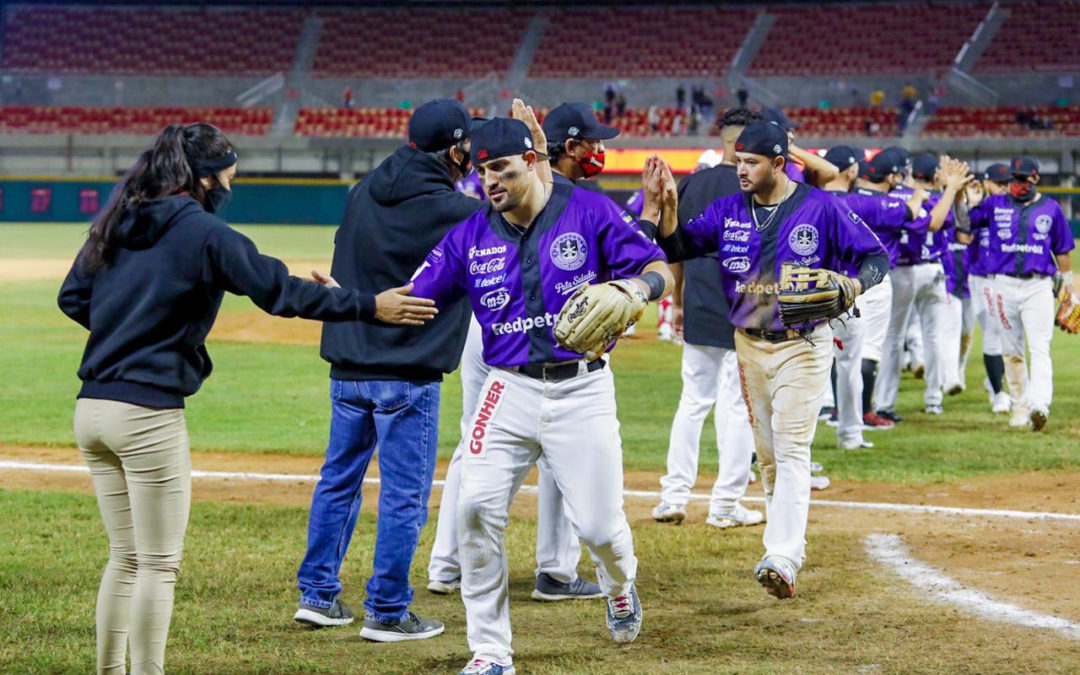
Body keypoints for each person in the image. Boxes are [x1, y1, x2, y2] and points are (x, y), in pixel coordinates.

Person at [57, 123, 430, 675]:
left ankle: (110, 671)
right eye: (229, 172)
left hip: (92, 411)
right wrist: (367, 305)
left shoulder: (119, 220)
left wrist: (129, 326)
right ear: (205, 177)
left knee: (126, 557)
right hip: (146, 415)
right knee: (158, 565)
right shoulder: (204, 232)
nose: (232, 181)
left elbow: (73, 297)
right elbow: (277, 289)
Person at [410, 116, 673, 675]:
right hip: (507, 390)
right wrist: (352, 300)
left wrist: (636, 286)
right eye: (482, 171)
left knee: (600, 529)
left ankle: (618, 584)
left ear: (532, 161)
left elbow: (656, 268)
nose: (490, 182)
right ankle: (490, 651)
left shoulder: (589, 211)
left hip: (582, 390)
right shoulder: (470, 234)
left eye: (501, 168)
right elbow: (417, 294)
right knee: (475, 510)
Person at [656, 121, 888, 599]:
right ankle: (782, 551)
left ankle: (783, 554)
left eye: (750, 162)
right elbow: (677, 248)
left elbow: (876, 258)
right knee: (768, 457)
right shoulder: (727, 210)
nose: (739, 170)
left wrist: (855, 286)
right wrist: (668, 212)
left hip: (802, 343)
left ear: (779, 164)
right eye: (737, 161)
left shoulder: (821, 206)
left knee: (792, 446)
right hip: (747, 343)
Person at [294, 98, 482, 641]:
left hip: (348, 364)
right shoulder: (459, 211)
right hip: (408, 370)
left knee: (338, 482)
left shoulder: (360, 193)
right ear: (453, 148)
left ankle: (318, 596)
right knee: (403, 494)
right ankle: (389, 610)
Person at [428, 101, 620, 604]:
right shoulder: (550, 197)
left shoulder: (573, 202)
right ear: (566, 148)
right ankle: (553, 571)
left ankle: (446, 564)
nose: (600, 150)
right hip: (509, 343)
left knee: (475, 446)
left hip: (498, 328)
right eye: (593, 142)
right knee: (499, 454)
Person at [652, 107, 763, 527]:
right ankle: (725, 506)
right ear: (742, 145)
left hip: (698, 293)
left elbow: (674, 246)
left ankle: (673, 497)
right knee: (736, 405)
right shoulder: (757, 185)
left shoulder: (693, 183)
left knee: (693, 401)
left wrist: (677, 300)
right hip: (745, 298)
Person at [820, 145, 928, 448]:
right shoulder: (865, 203)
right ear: (852, 170)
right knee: (863, 353)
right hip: (867, 282)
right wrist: (918, 195)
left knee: (830, 353)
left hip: (825, 284)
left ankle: (836, 413)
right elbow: (912, 213)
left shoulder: (810, 201)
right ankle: (857, 421)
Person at [959, 155, 1076, 431]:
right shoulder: (994, 204)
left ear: (1036, 179)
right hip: (1003, 285)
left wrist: (1068, 287)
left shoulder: (1051, 208)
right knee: (1011, 351)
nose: (1016, 184)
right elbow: (965, 226)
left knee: (1039, 347)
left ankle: (1039, 405)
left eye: (1023, 179)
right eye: (1014, 179)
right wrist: (966, 201)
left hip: (1038, 286)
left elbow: (1062, 249)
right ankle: (1020, 406)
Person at [872, 151, 971, 418]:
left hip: (900, 271)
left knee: (893, 338)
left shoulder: (894, 197)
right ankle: (933, 399)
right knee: (934, 338)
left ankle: (884, 403)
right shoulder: (938, 199)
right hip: (933, 270)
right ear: (935, 175)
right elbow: (951, 222)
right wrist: (951, 188)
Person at [965, 164, 1013, 414]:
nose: (1003, 188)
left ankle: (996, 379)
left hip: (1008, 278)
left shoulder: (1015, 208)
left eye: (1006, 183)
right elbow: (962, 233)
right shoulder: (981, 206)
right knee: (994, 331)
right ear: (987, 184)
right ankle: (999, 393)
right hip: (982, 277)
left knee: (1009, 333)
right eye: (999, 183)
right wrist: (972, 205)